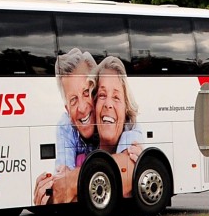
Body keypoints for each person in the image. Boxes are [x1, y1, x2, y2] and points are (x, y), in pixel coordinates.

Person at [33, 49, 98, 206]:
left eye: (86, 93)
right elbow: (64, 180)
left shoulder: (116, 118)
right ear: (67, 109)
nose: (82, 108)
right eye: (74, 100)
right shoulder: (65, 126)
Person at [90, 56, 144, 197]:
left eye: (116, 97)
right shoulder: (82, 147)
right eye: (102, 95)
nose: (108, 104)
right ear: (94, 104)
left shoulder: (132, 134)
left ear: (126, 109)